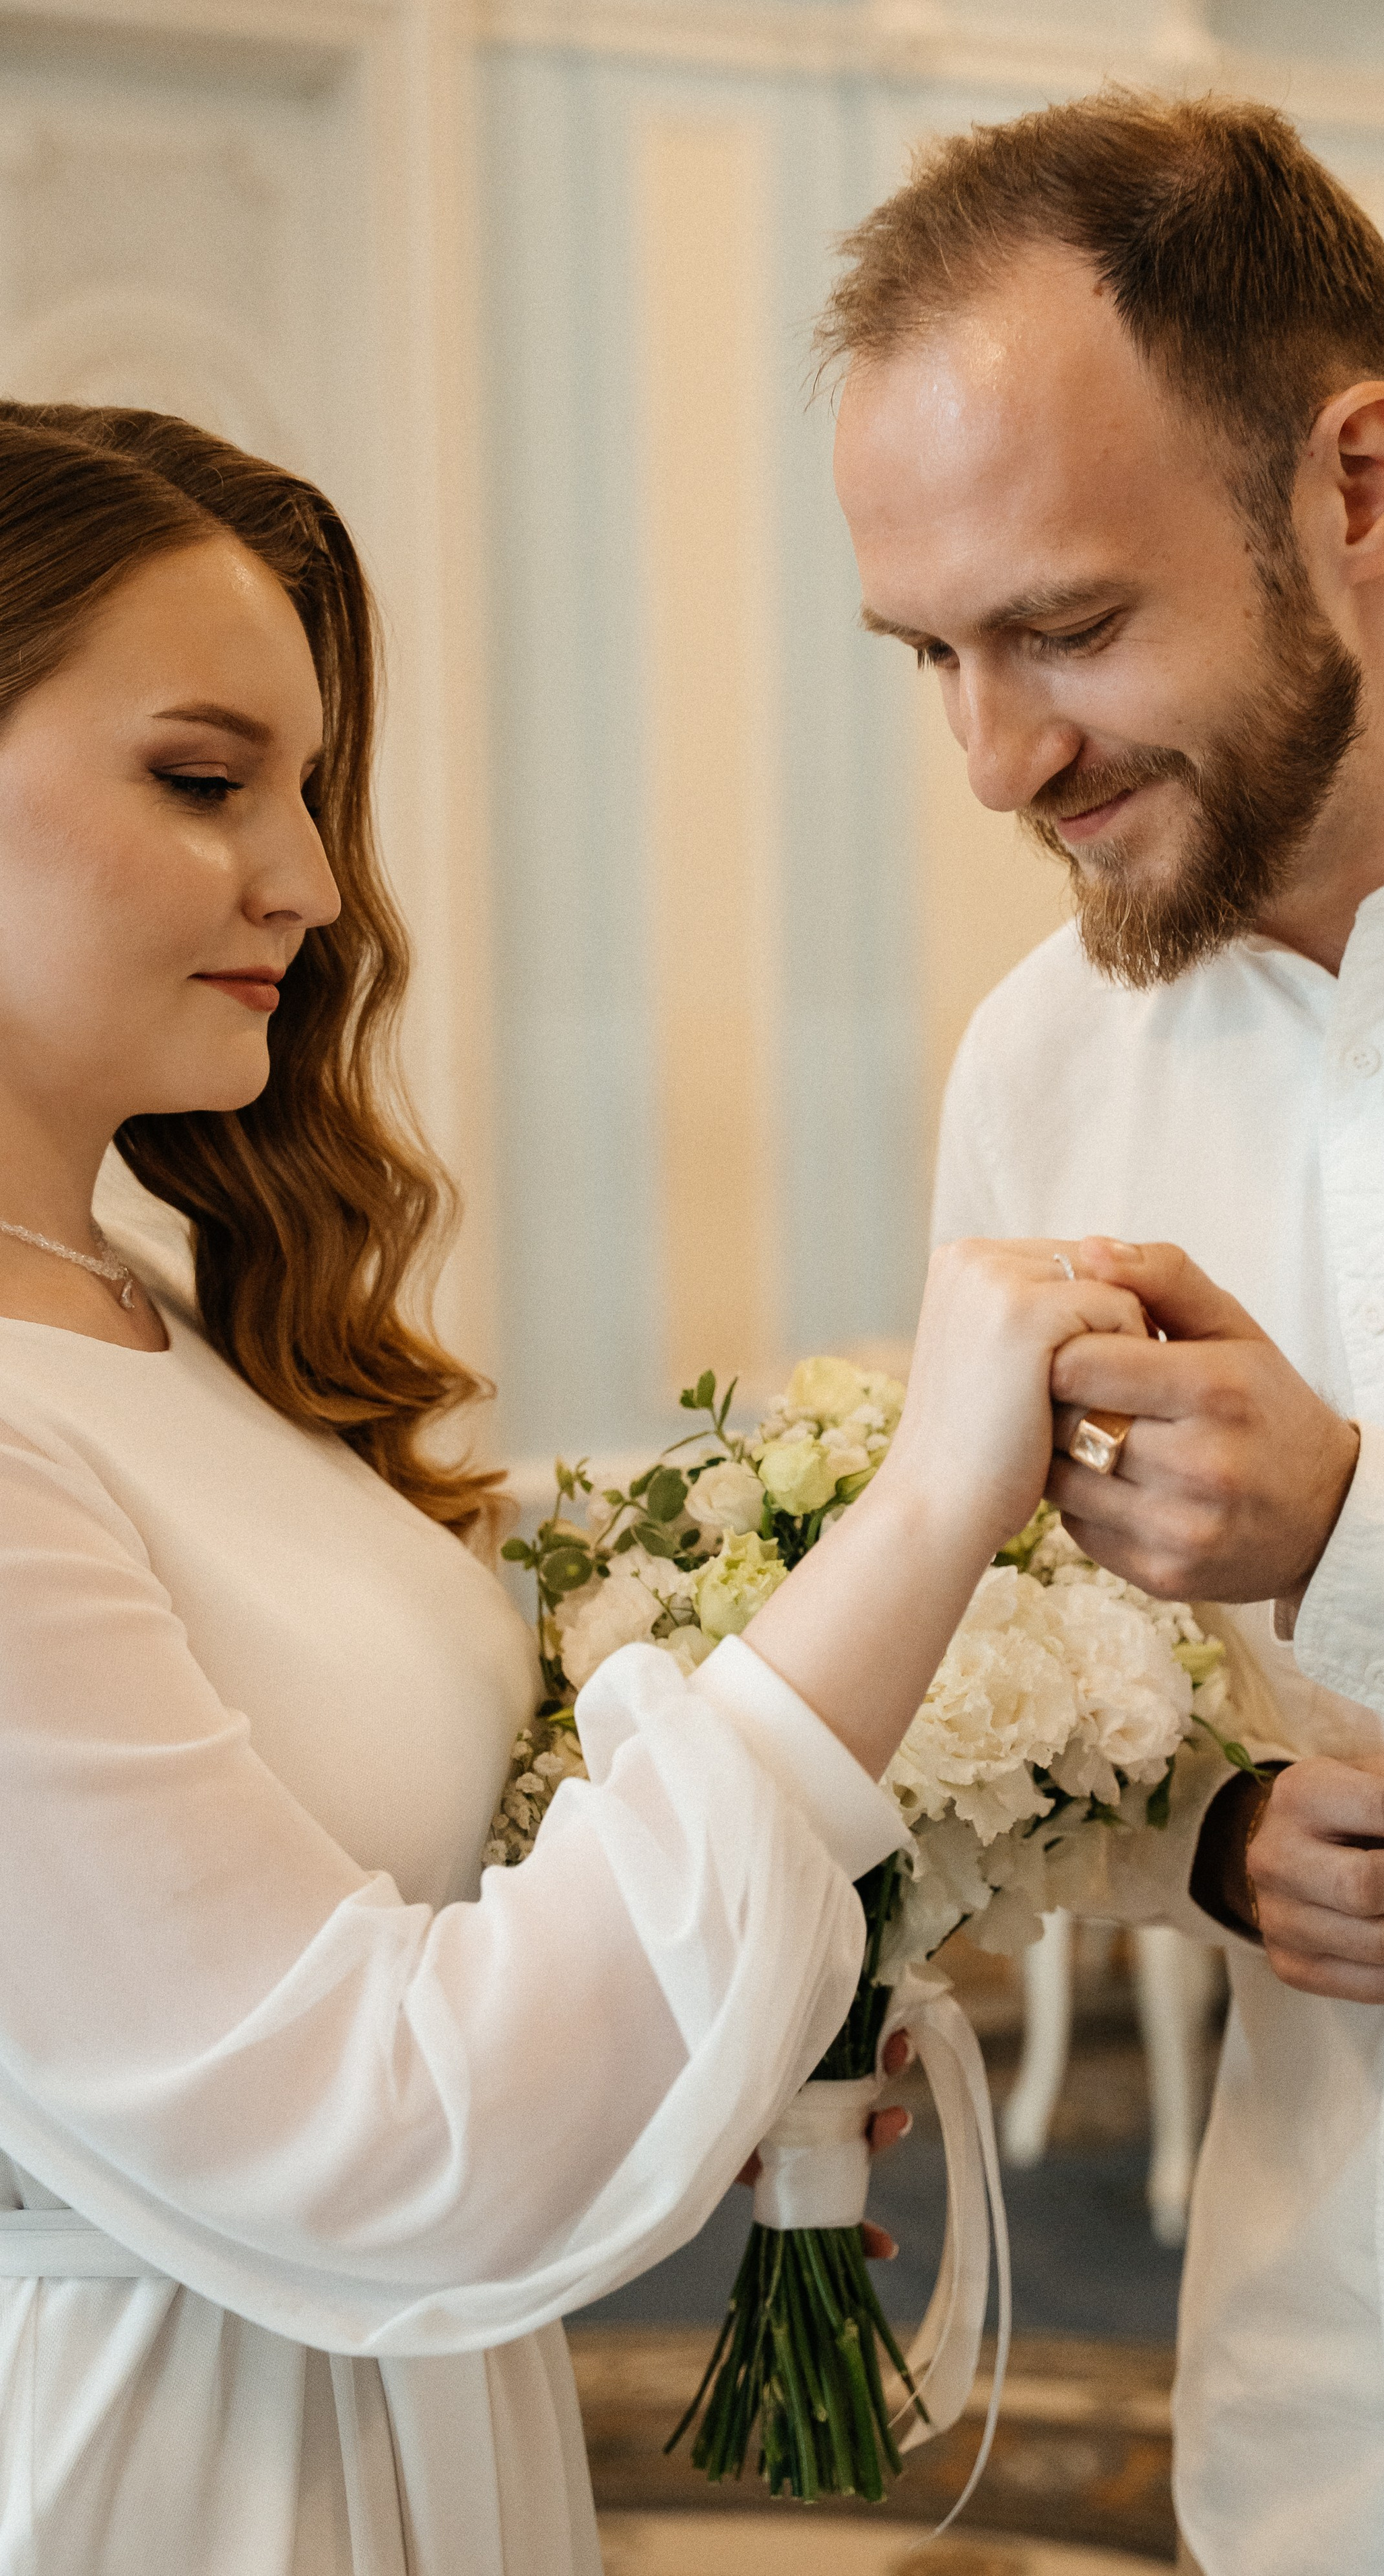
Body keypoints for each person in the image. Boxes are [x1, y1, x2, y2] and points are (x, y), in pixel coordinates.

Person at [0, 402, 1152, 2576]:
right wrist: (923, 1507)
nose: (314, 881)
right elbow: (377, 2129)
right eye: (200, 778)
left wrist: (647, 2059)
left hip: (378, 2399)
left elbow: (350, 1980)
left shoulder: (132, 1310)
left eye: (313, 793)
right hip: (160, 2474)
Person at [826, 89, 1384, 2576]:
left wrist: (1359, 1529)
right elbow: (1065, 1709)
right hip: (1315, 2449)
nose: (1000, 758)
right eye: (936, 655)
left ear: (1358, 482)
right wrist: (1210, 1838)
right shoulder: (1045, 1065)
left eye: (1072, 629)